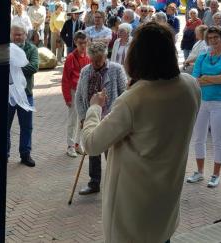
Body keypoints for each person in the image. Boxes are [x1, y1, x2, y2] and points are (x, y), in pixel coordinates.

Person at [81, 22, 200, 242]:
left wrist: (94, 107)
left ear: (137, 56)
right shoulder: (191, 86)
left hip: (132, 214)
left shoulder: (134, 100)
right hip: (165, 205)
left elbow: (91, 144)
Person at [187, 26, 221, 187]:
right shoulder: (202, 57)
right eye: (210, 38)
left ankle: (216, 174)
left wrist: (206, 77)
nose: (213, 40)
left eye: (216, 37)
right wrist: (216, 76)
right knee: (199, 139)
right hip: (202, 102)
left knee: (218, 140)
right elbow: (195, 80)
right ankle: (200, 172)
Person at [75, 41, 127, 195]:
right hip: (92, 117)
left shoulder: (116, 69)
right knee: (93, 150)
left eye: (98, 59)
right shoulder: (86, 71)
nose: (95, 63)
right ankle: (94, 183)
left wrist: (116, 115)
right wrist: (84, 117)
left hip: (110, 118)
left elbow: (124, 93)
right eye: (92, 60)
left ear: (106, 56)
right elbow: (79, 96)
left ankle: (116, 184)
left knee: (112, 154)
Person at [8, 23, 39, 167]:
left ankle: (25, 154)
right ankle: (4, 154)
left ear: (26, 35)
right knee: (4, 126)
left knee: (26, 126)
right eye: (15, 34)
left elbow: (34, 67)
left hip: (26, 94)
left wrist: (14, 66)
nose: (17, 37)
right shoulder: (6, 48)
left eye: (20, 34)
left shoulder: (31, 49)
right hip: (8, 94)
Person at [61, 31, 90, 157]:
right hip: (74, 91)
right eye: (80, 43)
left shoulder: (88, 57)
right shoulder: (71, 58)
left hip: (84, 92)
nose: (83, 46)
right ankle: (70, 145)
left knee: (83, 119)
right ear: (75, 43)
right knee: (73, 119)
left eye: (84, 43)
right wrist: (67, 97)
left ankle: (78, 144)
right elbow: (65, 79)